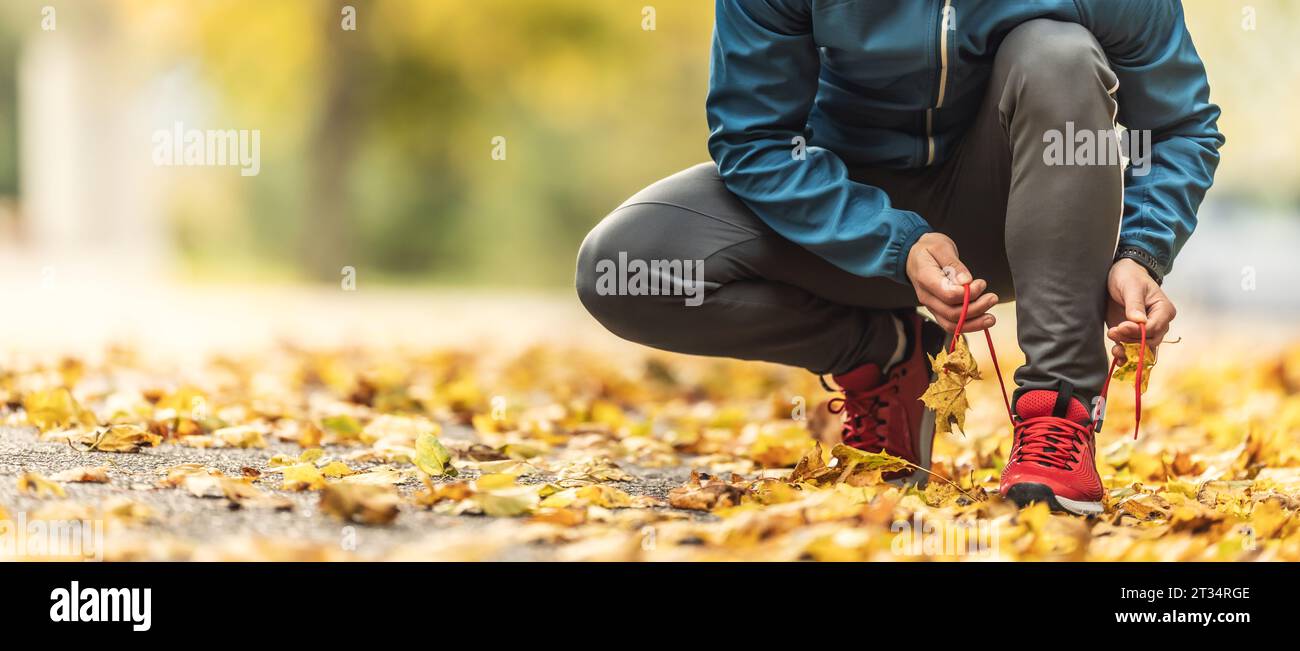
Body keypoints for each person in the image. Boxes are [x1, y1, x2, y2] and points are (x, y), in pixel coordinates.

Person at [575, 0, 1222, 515]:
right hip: (839, 209)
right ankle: (884, 354)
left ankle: (1058, 414)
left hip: (1010, 211)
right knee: (627, 265)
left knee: (1057, 54)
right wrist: (892, 240)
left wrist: (1141, 249)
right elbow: (757, 141)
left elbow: (1179, 125)